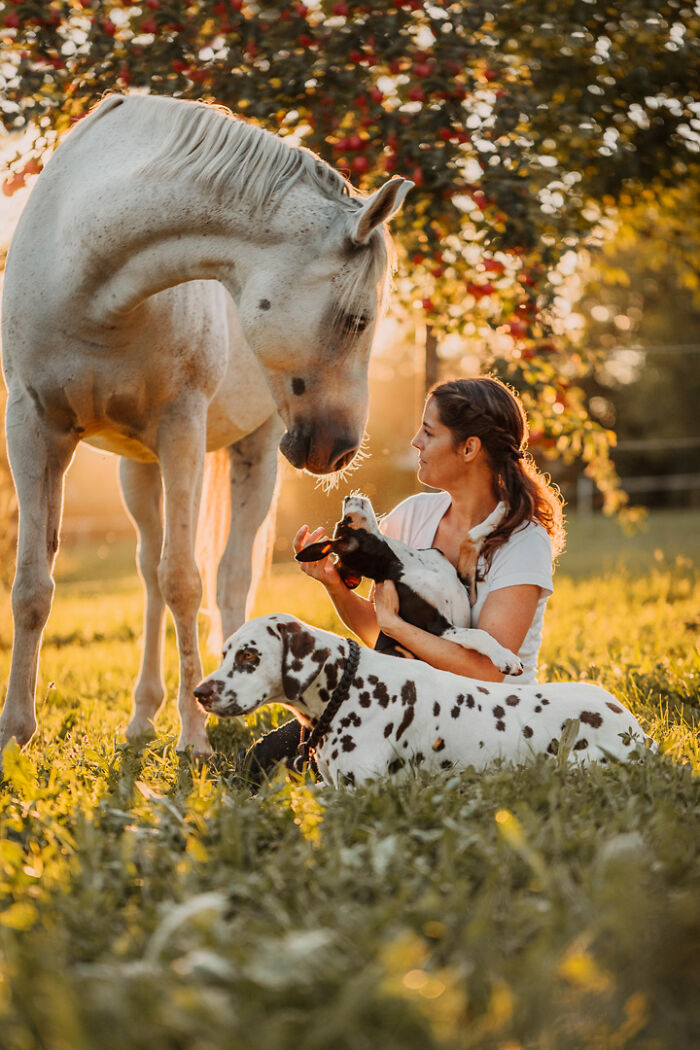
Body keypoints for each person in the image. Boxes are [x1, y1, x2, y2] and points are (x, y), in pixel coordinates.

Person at [243, 375, 565, 780]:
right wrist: (333, 585)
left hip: (489, 719)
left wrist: (396, 625)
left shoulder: (523, 541)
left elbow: (488, 671)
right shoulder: (413, 516)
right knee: (261, 763)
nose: (415, 442)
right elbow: (380, 632)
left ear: (469, 448)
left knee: (334, 771)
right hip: (409, 703)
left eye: (428, 433)